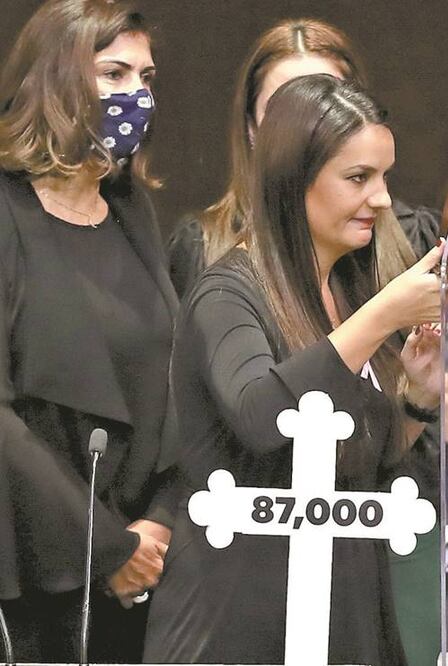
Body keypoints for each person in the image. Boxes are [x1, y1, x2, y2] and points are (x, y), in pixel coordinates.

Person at [144, 74, 441, 665]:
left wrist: (417, 404)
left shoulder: (351, 290)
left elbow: (363, 457)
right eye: (359, 178)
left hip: (347, 608)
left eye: (385, 176)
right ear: (292, 181)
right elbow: (263, 417)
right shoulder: (227, 292)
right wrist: (382, 317)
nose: (383, 199)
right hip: (237, 619)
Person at [0, 0, 177, 661]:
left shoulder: (132, 210)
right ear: (55, 80)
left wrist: (155, 526)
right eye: (114, 74)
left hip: (138, 576)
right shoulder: (6, 207)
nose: (136, 96)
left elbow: (168, 386)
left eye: (146, 78)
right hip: (34, 578)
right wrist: (105, 547)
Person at [166, 17, 440, 300]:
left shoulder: (415, 236)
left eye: (328, 111)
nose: (305, 137)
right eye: (284, 113)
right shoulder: (204, 244)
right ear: (251, 128)